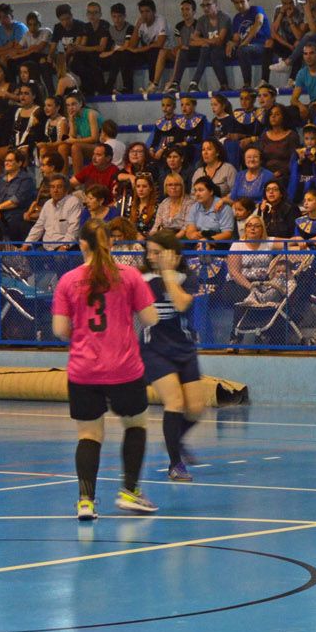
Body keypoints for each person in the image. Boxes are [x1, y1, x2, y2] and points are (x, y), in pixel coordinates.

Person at [52, 222, 160, 520]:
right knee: (135, 425)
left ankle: (86, 501)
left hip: (83, 370)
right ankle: (130, 491)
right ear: (110, 245)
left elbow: (60, 330)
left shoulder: (68, 280)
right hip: (124, 367)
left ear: (82, 245)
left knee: (89, 435)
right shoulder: (129, 276)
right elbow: (150, 318)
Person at [140, 231, 208, 483]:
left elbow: (181, 304)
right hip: (154, 349)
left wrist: (168, 275)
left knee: (196, 409)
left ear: (174, 254)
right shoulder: (142, 278)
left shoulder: (186, 277)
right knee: (175, 402)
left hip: (184, 348)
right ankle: (175, 464)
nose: (151, 256)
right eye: (149, 251)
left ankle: (176, 441)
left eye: (158, 252)